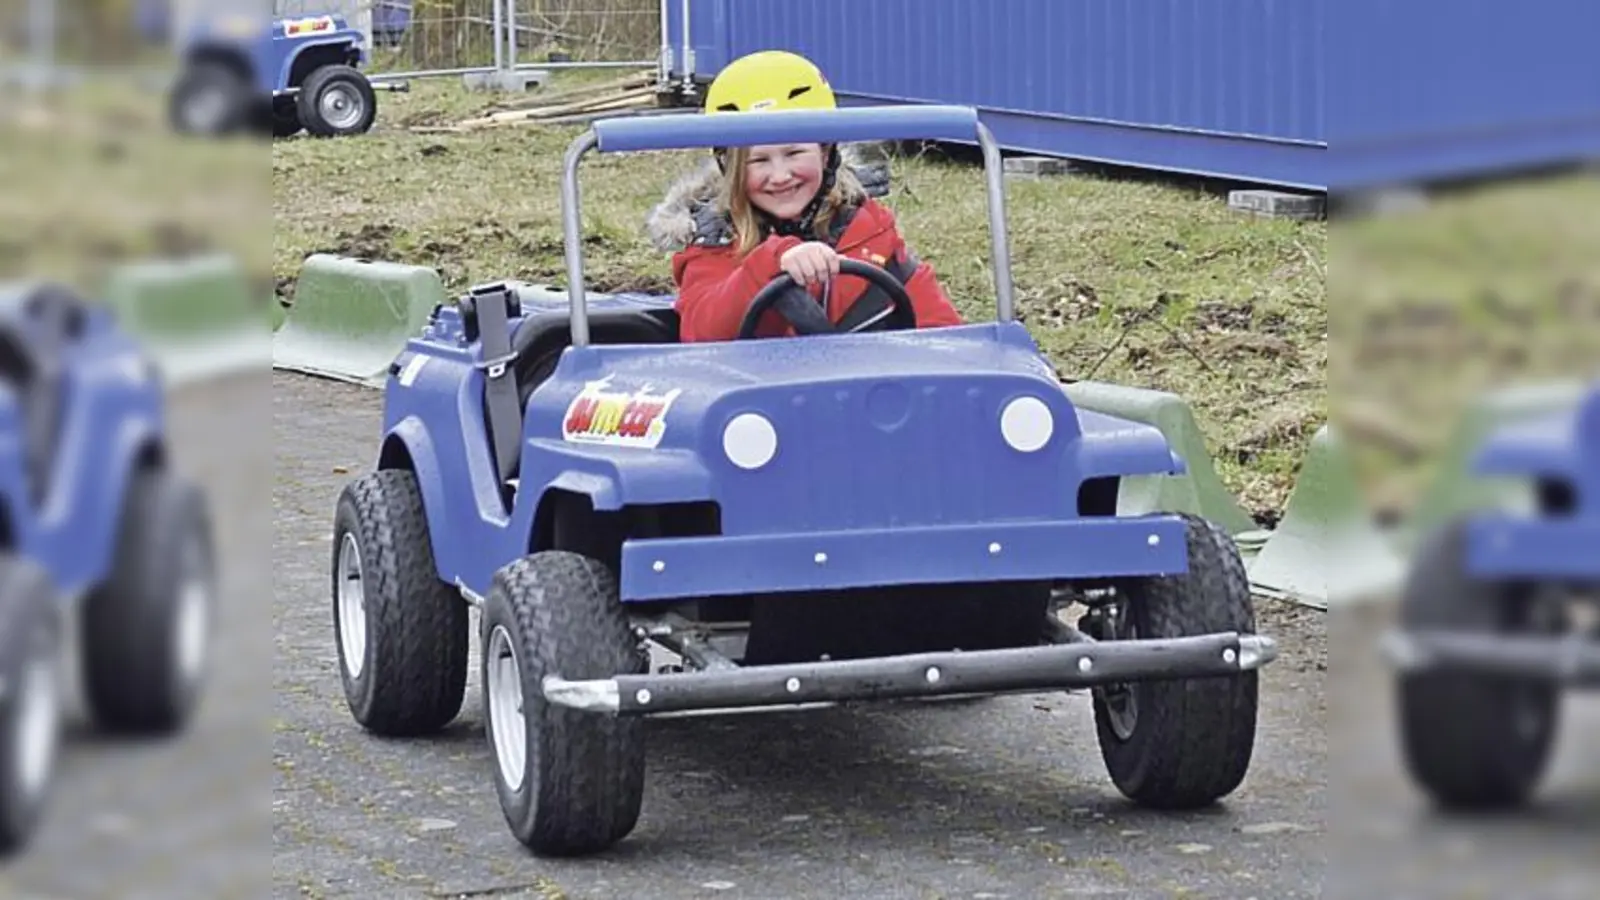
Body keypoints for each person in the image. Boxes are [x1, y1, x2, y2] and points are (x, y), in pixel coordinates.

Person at [644, 50, 964, 342]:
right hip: (756, 396)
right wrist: (770, 262)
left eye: (794, 152)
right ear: (730, 169)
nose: (781, 175)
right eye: (759, 160)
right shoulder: (712, 241)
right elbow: (703, 336)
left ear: (825, 152)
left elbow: (945, 334)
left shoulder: (870, 233)